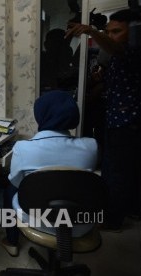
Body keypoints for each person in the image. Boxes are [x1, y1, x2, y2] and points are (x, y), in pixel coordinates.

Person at [66, 9, 141, 230]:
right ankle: (132, 210)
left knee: (116, 172)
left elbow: (116, 48)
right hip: (117, 119)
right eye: (108, 31)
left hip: (126, 123)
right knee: (127, 170)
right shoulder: (118, 56)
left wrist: (93, 32)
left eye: (117, 31)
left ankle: (112, 220)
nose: (111, 36)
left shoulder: (134, 50)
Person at [1, 91, 98, 257]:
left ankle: (12, 241)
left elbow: (18, 184)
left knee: (10, 188)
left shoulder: (23, 148)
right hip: (81, 223)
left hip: (35, 219)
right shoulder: (91, 147)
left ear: (41, 115)